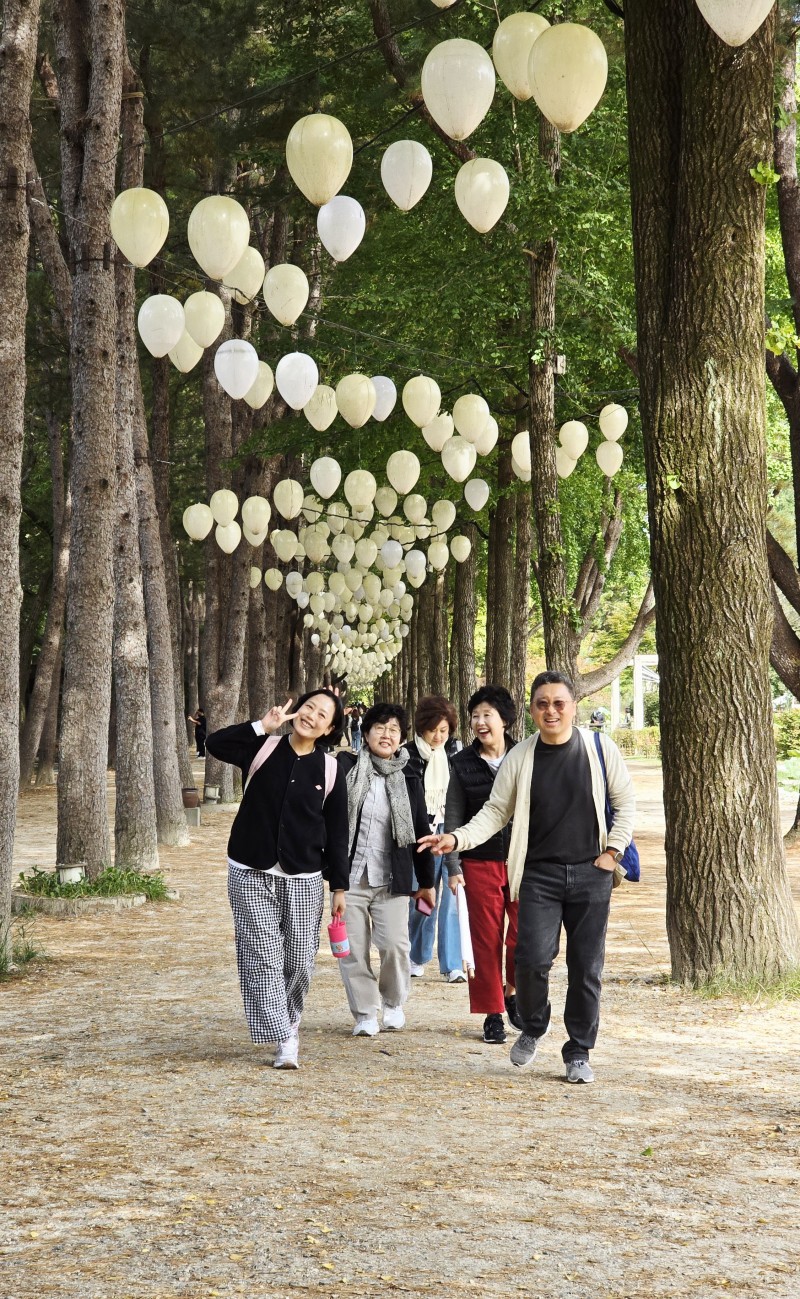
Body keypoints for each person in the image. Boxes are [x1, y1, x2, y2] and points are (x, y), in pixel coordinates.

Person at [419, 671, 635, 1084]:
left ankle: (578, 1051)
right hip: (538, 875)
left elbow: (624, 803)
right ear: (532, 710)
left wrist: (612, 853)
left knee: (586, 967)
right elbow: (495, 813)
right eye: (542, 703)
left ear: (573, 706)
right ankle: (534, 1024)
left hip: (593, 873)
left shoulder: (598, 747)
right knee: (531, 959)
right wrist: (456, 838)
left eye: (559, 702)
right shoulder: (521, 757)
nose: (551, 710)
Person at [205, 690, 349, 1070]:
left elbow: (337, 832)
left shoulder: (332, 770)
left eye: (322, 715)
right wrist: (261, 726)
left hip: (303, 875)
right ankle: (285, 1037)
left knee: (300, 959)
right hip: (250, 868)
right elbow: (214, 743)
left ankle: (290, 1018)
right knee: (263, 956)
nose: (311, 716)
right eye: (308, 708)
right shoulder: (263, 748)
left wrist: (339, 886)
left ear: (329, 728)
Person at [336, 703, 435, 1036]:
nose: (387, 734)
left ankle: (393, 1003)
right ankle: (364, 1013)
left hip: (393, 877)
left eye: (394, 729)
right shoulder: (346, 767)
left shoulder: (409, 777)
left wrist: (427, 881)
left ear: (401, 738)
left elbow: (421, 830)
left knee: (394, 945)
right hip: (348, 878)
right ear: (366, 733)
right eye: (380, 727)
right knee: (352, 949)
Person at [444, 686, 519, 1045]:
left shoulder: (527, 756)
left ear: (505, 720)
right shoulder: (460, 764)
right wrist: (453, 866)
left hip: (524, 862)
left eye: (487, 714)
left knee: (525, 936)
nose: (479, 722)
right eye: (475, 715)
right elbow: (454, 818)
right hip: (479, 863)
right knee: (485, 942)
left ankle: (514, 991)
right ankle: (492, 1013)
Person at [404, 694, 464, 983]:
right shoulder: (408, 757)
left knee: (452, 900)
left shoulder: (456, 755)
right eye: (433, 731)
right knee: (423, 895)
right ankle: (417, 955)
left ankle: (452, 962)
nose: (438, 736)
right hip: (421, 835)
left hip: (449, 833)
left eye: (444, 731)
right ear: (421, 729)